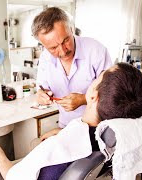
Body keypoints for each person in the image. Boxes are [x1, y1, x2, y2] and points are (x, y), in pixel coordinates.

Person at [0, 63, 142, 179]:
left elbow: (14, 177)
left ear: (93, 96)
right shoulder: (108, 137)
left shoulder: (57, 147)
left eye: (99, 77)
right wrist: (63, 134)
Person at [34, 7, 112, 139]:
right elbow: (42, 88)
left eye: (65, 41)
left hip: (99, 129)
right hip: (66, 128)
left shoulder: (96, 51)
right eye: (53, 48)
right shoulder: (45, 59)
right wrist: (42, 95)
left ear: (71, 28)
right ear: (43, 45)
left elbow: (112, 93)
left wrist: (83, 99)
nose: (63, 51)